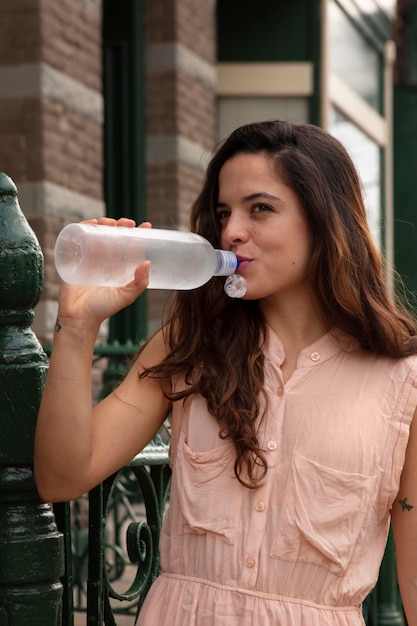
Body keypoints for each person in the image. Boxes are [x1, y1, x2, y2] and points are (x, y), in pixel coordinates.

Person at [34, 119, 417, 626]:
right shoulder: (190, 345)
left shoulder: (402, 381)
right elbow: (62, 476)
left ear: (325, 220)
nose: (231, 231)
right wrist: (78, 327)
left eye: (260, 208)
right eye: (223, 212)